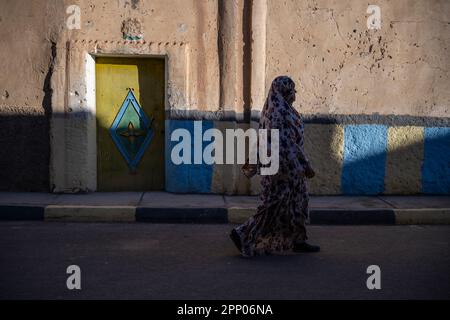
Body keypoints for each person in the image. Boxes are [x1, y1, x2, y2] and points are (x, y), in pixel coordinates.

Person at [230, 76, 320, 257]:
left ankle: (298, 240)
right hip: (283, 171)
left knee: (296, 205)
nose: (295, 94)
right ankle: (243, 234)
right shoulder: (279, 113)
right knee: (273, 208)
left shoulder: (283, 110)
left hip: (290, 170)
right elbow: (288, 145)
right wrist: (305, 165)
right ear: (284, 91)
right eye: (292, 90)